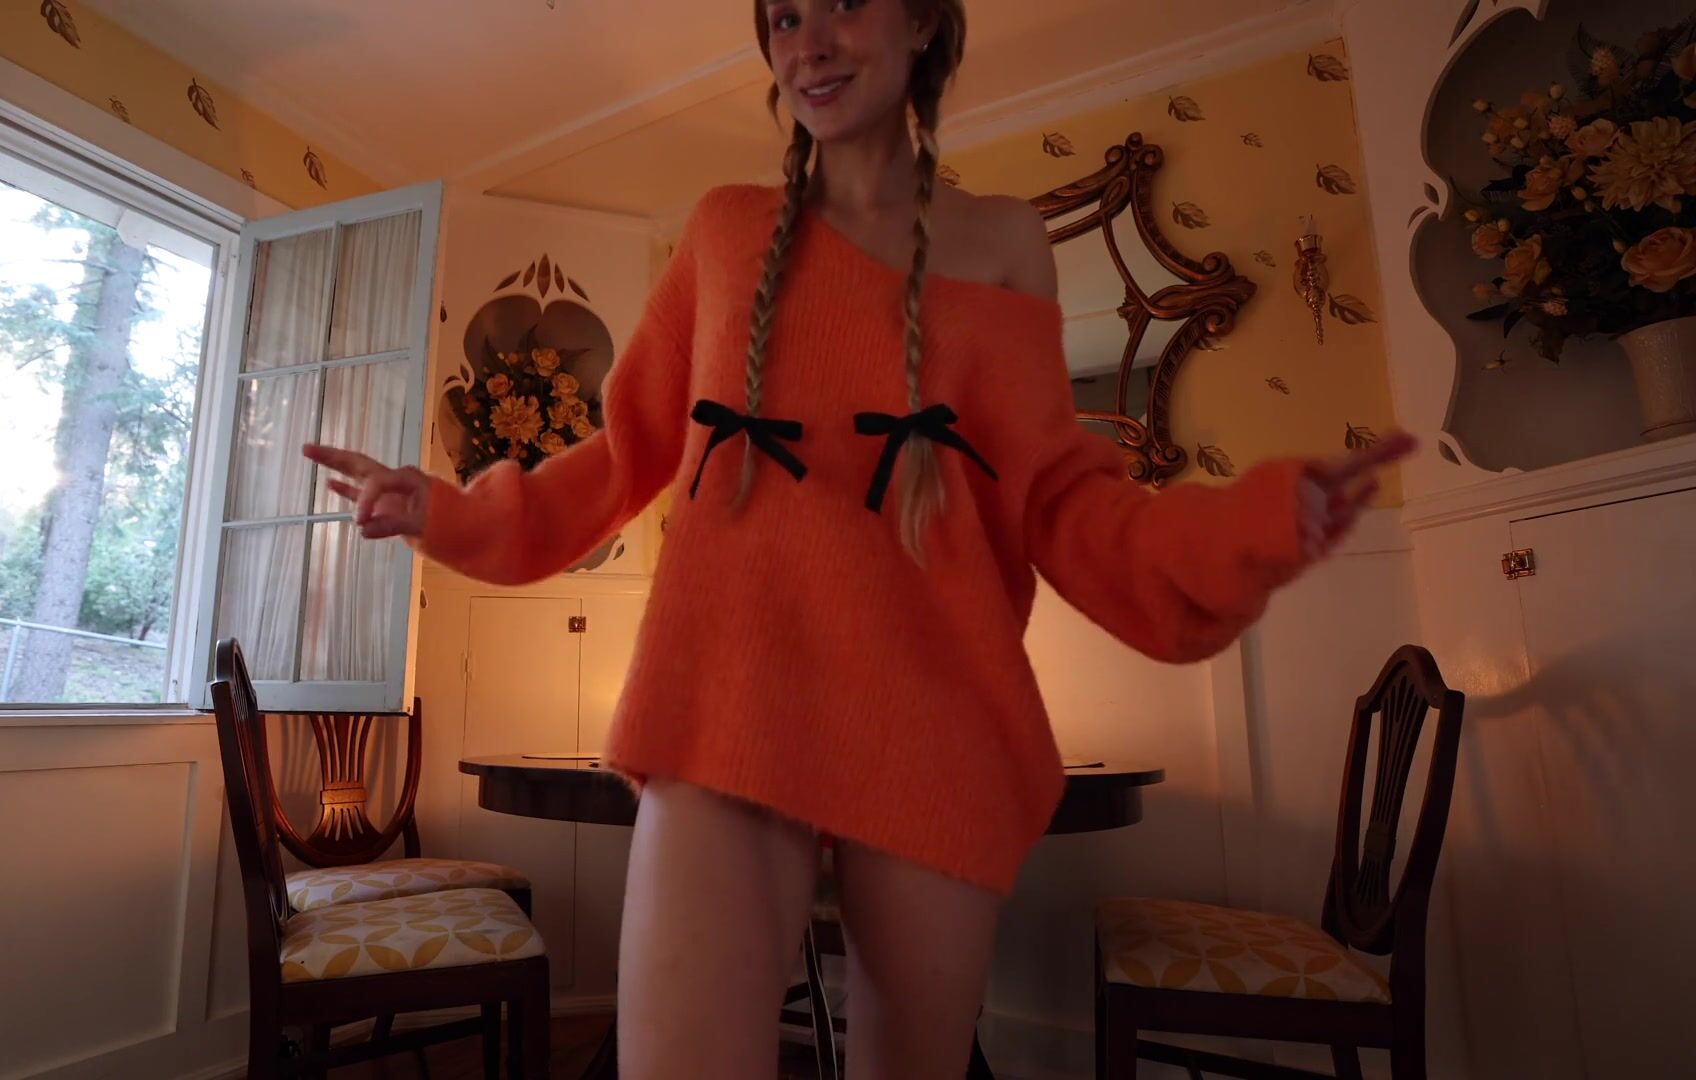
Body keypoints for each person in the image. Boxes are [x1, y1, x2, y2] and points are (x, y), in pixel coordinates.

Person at [306, 1, 1413, 1075]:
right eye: (784, 17)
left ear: (924, 20)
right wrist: (451, 511)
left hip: (935, 713)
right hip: (727, 693)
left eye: (842, 3)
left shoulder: (1006, 242)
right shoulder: (725, 230)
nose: (811, 44)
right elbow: (622, 451)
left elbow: (1064, 501)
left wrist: (1251, 526)